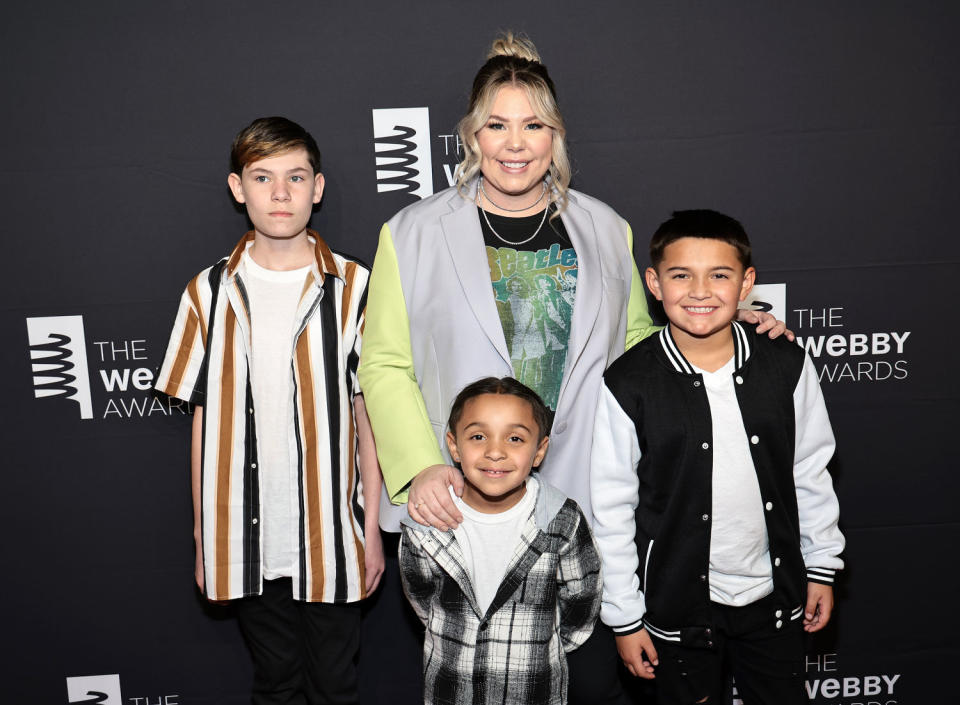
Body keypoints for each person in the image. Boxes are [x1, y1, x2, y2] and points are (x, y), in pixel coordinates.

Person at [358, 33, 787, 703]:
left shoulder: (606, 229)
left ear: (556, 135)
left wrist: (734, 331)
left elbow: (647, 352)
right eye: (497, 125)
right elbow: (383, 361)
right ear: (471, 135)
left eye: (533, 125)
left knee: (589, 683)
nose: (515, 142)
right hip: (467, 502)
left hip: (586, 503)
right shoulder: (410, 233)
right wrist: (419, 467)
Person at [155, 116, 383, 705]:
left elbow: (367, 419)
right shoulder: (205, 292)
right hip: (245, 535)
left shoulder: (356, 286)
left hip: (333, 533)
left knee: (337, 685)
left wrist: (374, 531)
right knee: (275, 684)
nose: (280, 194)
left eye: (295, 177)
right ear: (238, 189)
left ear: (319, 187)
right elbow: (204, 424)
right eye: (262, 177)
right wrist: (207, 538)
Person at [590, 210, 844, 704]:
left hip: (774, 599)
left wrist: (820, 567)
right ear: (654, 283)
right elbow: (612, 507)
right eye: (681, 275)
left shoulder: (785, 364)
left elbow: (810, 472)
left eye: (720, 275)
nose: (700, 291)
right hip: (676, 609)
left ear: (746, 282)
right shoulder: (628, 383)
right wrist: (623, 616)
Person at [399, 377, 601, 705]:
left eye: (515, 438)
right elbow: (422, 597)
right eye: (478, 436)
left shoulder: (561, 521)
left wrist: (540, 647)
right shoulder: (427, 526)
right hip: (450, 690)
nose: (495, 452)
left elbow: (582, 602)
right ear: (453, 446)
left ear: (539, 451)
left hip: (533, 690)